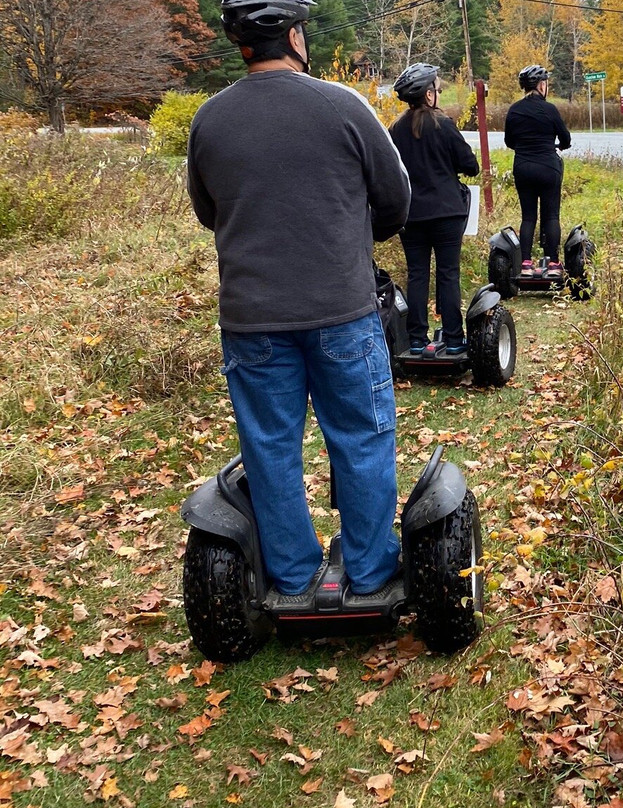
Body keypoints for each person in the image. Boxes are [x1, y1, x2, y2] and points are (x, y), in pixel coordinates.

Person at [186, 0, 412, 608]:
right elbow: (395, 199)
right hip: (341, 309)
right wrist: (350, 235)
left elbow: (210, 212)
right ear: (293, 36)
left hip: (251, 316)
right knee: (361, 438)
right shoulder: (343, 106)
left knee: (270, 448)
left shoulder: (210, 119)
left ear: (242, 47)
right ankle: (368, 575)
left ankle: (292, 577)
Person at [388, 63, 480, 354]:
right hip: (447, 212)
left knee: (416, 274)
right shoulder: (444, 125)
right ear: (428, 95)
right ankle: (453, 339)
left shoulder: (395, 130)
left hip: (411, 214)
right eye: (437, 89)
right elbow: (471, 166)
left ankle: (416, 339)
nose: (438, 94)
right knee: (448, 273)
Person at [504, 65, 571, 280]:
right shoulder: (550, 109)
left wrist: (524, 147)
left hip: (523, 167)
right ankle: (553, 263)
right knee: (551, 215)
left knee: (528, 216)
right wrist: (560, 145)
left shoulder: (514, 109)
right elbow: (565, 138)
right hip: (548, 166)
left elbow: (509, 141)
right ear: (541, 85)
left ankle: (525, 264)